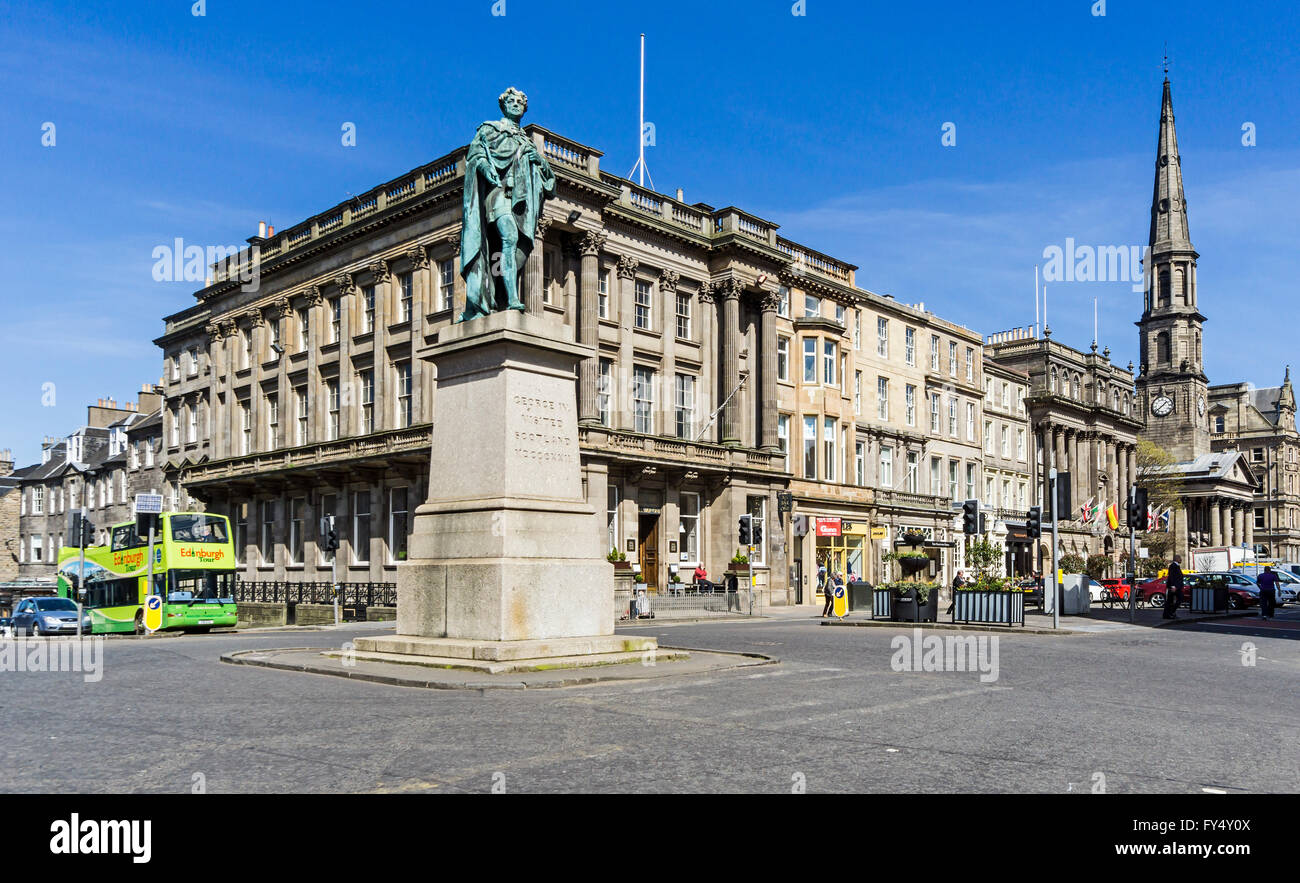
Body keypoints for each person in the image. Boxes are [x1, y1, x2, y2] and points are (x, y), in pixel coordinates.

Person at [1162, 554, 1185, 619]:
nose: (1181, 559)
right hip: (1174, 587)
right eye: (1180, 558)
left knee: (1172, 600)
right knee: (1174, 600)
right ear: (1176, 559)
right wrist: (1173, 586)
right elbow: (1171, 576)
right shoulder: (1173, 566)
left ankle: (1170, 613)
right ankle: (1169, 613)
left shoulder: (1177, 566)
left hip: (1177, 587)